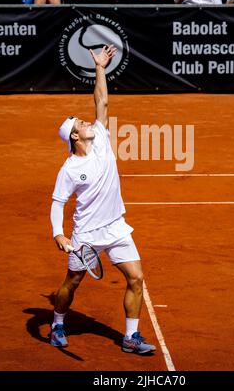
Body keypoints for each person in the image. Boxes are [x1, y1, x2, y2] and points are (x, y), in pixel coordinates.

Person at [49, 45, 156, 355]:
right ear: (73, 137)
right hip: (86, 235)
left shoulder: (101, 139)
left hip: (115, 226)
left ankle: (130, 338)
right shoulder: (69, 169)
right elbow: (58, 202)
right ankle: (57, 322)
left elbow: (102, 100)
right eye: (80, 124)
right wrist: (59, 232)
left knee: (136, 277)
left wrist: (100, 67)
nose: (87, 123)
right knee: (72, 283)